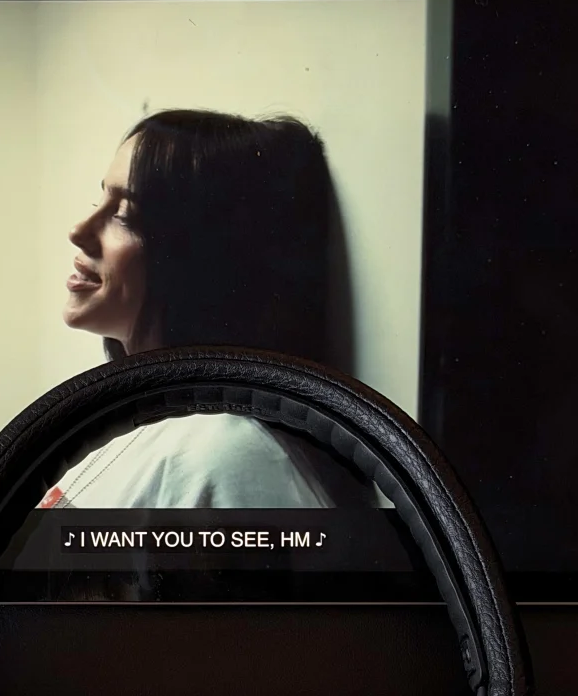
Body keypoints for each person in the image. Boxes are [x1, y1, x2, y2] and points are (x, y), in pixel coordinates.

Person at [40, 109, 377, 510]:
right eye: (100, 199)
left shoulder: (228, 459)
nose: (78, 231)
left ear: (203, 260)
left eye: (126, 215)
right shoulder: (130, 426)